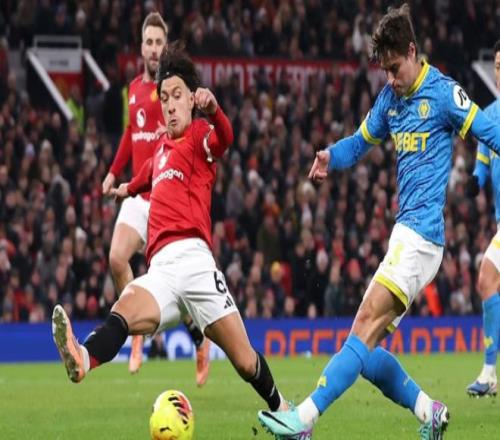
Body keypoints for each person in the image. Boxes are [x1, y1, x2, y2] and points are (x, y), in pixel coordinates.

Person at [258, 4, 500, 439]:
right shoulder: (390, 99)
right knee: (364, 349)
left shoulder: (444, 93)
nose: (390, 78)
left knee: (364, 325)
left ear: (412, 52)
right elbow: (359, 142)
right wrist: (331, 156)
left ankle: (303, 420)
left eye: (394, 68)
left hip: (421, 236)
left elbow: (490, 131)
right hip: (404, 236)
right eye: (384, 70)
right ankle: (429, 411)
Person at [52, 41, 290, 419]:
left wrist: (215, 111)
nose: (170, 105)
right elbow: (145, 177)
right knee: (122, 310)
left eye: (177, 95)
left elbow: (225, 138)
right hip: (160, 268)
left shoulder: (200, 135)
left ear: (191, 99)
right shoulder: (161, 148)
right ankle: (82, 358)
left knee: (245, 362)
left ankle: (283, 409)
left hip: (195, 263)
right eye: (164, 98)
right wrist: (125, 189)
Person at [101, 12, 210, 383]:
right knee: (117, 257)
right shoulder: (132, 90)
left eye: (158, 42)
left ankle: (199, 340)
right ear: (141, 47)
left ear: (166, 47)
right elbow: (129, 134)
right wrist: (113, 172)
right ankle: (136, 333)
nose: (152, 48)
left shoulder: (173, 93)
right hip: (139, 193)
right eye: (147, 42)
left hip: (168, 195)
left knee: (178, 286)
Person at [465, 40, 500, 398]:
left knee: (487, 277)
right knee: (487, 280)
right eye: (498, 67)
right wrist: (474, 183)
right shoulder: (487, 117)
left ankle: (490, 373)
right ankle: (489, 374)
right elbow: (482, 168)